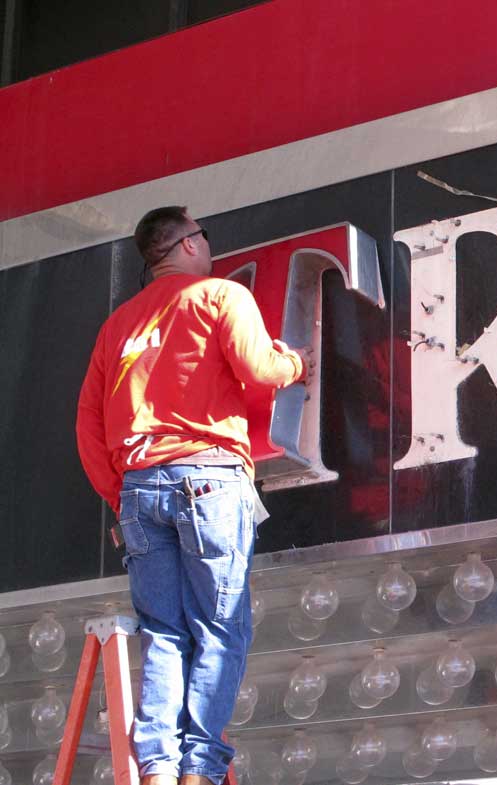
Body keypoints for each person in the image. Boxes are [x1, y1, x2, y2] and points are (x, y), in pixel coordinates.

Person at [75, 206, 310, 785]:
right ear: (185, 246)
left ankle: (155, 766)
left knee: (163, 630)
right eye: (203, 235)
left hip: (139, 489)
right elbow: (259, 369)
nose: (208, 245)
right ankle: (198, 769)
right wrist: (297, 363)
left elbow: (87, 425)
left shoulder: (117, 327)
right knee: (220, 625)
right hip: (209, 477)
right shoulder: (217, 296)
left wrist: (118, 499)